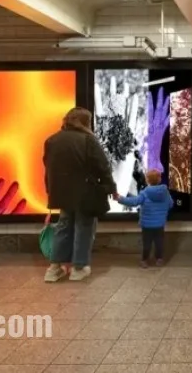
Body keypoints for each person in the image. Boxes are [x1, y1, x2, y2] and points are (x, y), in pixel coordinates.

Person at [43, 107, 116, 282]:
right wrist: (110, 187)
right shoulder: (88, 140)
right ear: (85, 122)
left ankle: (54, 269)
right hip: (85, 193)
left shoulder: (51, 140)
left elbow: (48, 168)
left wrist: (49, 189)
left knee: (63, 226)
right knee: (84, 227)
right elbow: (103, 166)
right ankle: (79, 267)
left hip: (60, 192)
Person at [116, 169, 174, 268]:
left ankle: (144, 260)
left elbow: (134, 202)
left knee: (147, 243)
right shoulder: (165, 193)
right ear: (159, 179)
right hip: (160, 224)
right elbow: (170, 204)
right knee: (159, 242)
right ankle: (159, 259)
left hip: (147, 225)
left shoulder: (145, 193)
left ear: (147, 180)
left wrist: (120, 198)